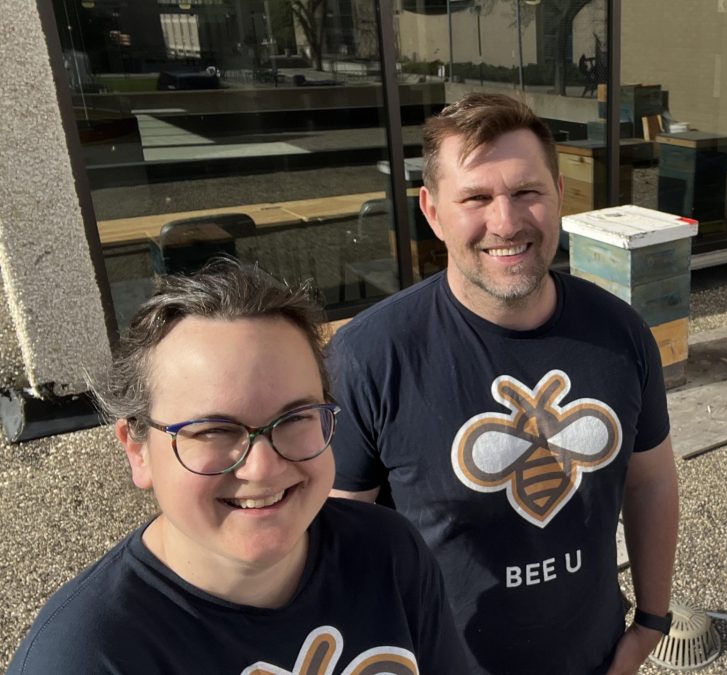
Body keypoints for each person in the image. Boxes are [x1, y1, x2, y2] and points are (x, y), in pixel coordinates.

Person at [328, 92, 680, 675]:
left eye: (527, 192)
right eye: (476, 198)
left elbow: (651, 483)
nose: (507, 222)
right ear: (432, 211)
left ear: (560, 195)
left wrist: (650, 623)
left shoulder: (621, 334)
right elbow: (336, 550)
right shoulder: (369, 358)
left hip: (595, 658)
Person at [7, 261, 468, 674]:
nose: (262, 467)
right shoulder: (84, 658)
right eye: (213, 430)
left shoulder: (387, 552)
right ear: (138, 450)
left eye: (295, 418)